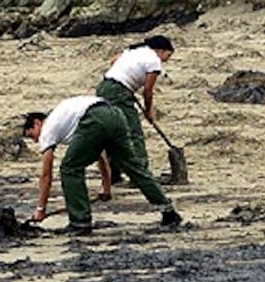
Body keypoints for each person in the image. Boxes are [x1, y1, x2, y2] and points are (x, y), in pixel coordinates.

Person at [22, 95, 182, 235]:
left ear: (37, 123)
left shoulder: (48, 128)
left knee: (69, 169)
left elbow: (46, 174)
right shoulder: (65, 117)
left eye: (32, 136)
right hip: (114, 114)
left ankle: (80, 222)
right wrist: (106, 187)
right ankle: (168, 211)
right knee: (133, 167)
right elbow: (101, 154)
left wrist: (40, 209)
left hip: (93, 118)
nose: (36, 141)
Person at [96, 35, 174, 184]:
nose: (166, 60)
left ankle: (113, 174)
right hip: (119, 92)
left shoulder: (134, 51)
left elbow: (114, 61)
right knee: (134, 133)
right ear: (162, 50)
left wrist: (126, 78)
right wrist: (148, 111)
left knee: (112, 131)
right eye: (168, 55)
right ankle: (140, 175)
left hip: (105, 86)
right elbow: (148, 91)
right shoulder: (154, 61)